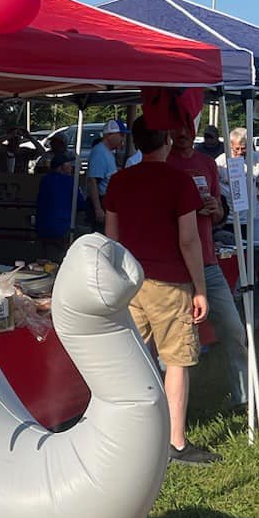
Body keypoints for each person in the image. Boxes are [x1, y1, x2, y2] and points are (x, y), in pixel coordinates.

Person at [103, 117, 219, 466]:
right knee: (176, 362)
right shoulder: (179, 182)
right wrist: (200, 288)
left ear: (136, 143)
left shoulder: (119, 181)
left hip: (130, 282)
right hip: (170, 283)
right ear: (166, 140)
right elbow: (188, 239)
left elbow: (111, 239)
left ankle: (127, 434)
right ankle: (175, 442)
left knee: (131, 361)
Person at [171, 120, 249, 412]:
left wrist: (217, 210)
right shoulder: (163, 163)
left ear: (194, 131)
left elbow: (218, 211)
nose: (181, 134)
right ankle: (170, 410)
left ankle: (243, 399)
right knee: (176, 342)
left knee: (233, 329)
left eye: (186, 129)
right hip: (174, 267)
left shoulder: (206, 163)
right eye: (176, 130)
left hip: (208, 261)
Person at [33, 151, 81, 261]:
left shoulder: (45, 180)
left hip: (42, 228)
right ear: (60, 167)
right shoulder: (70, 181)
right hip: (62, 228)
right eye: (68, 165)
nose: (71, 167)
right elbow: (81, 204)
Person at [85, 118, 127, 232]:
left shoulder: (107, 152)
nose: (123, 138)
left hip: (107, 201)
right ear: (110, 135)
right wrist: (98, 209)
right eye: (121, 135)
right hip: (101, 201)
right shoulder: (99, 152)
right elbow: (92, 181)